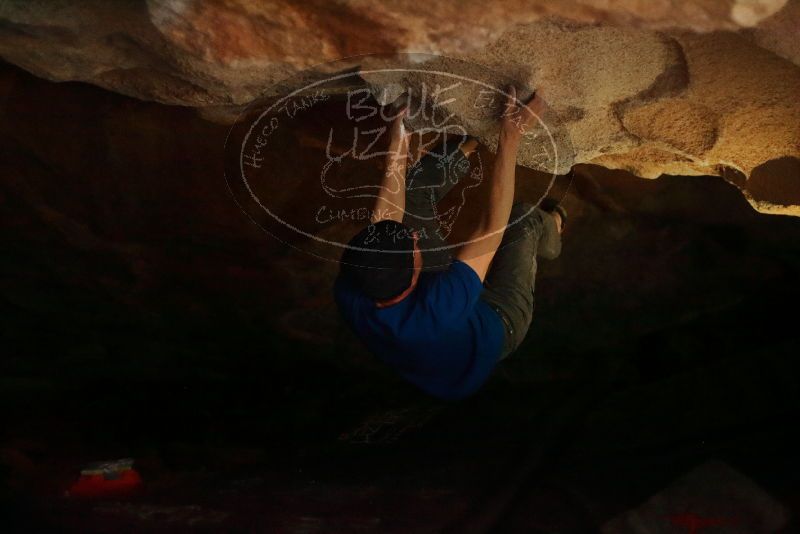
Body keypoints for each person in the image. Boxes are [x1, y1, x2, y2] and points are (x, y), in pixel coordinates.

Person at [334, 86, 566, 400]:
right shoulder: (440, 306)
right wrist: (510, 137)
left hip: (429, 331)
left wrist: (398, 138)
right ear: (416, 275)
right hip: (496, 326)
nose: (414, 235)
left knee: (412, 192)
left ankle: (469, 143)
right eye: (413, 244)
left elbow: (386, 217)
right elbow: (491, 228)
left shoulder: (353, 287)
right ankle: (554, 228)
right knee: (523, 219)